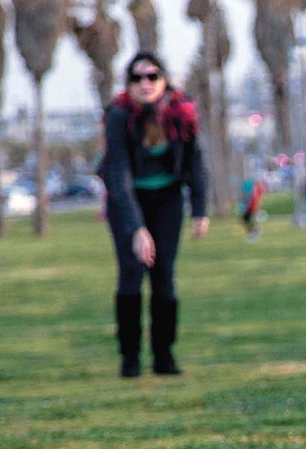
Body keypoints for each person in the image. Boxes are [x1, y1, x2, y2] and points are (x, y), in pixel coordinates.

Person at [100, 51, 209, 377]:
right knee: (131, 275)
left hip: (167, 201)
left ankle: (164, 355)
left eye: (152, 76)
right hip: (126, 203)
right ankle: (130, 358)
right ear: (128, 83)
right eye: (137, 77)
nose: (145, 83)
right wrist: (136, 228)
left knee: (163, 277)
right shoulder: (118, 115)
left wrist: (200, 210)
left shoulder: (182, 112)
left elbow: (194, 162)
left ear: (164, 79)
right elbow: (117, 172)